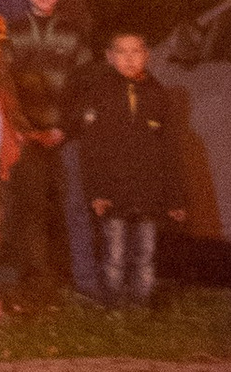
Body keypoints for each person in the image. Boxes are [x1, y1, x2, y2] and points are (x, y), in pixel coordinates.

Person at [0, 0, 94, 301]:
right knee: (27, 204)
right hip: (25, 136)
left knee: (74, 204)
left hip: (64, 135)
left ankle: (85, 281)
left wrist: (65, 129)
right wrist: (20, 129)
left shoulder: (75, 33)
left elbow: (84, 88)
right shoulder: (11, 32)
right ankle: (24, 279)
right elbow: (4, 86)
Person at [71, 26, 184, 308]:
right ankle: (113, 303)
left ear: (147, 56)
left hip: (148, 191)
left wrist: (175, 198)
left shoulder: (158, 94)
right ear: (109, 57)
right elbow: (92, 150)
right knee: (115, 250)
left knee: (145, 251)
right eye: (121, 52)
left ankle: (140, 302)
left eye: (136, 52)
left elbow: (170, 150)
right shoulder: (100, 94)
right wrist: (97, 192)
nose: (129, 58)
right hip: (114, 191)